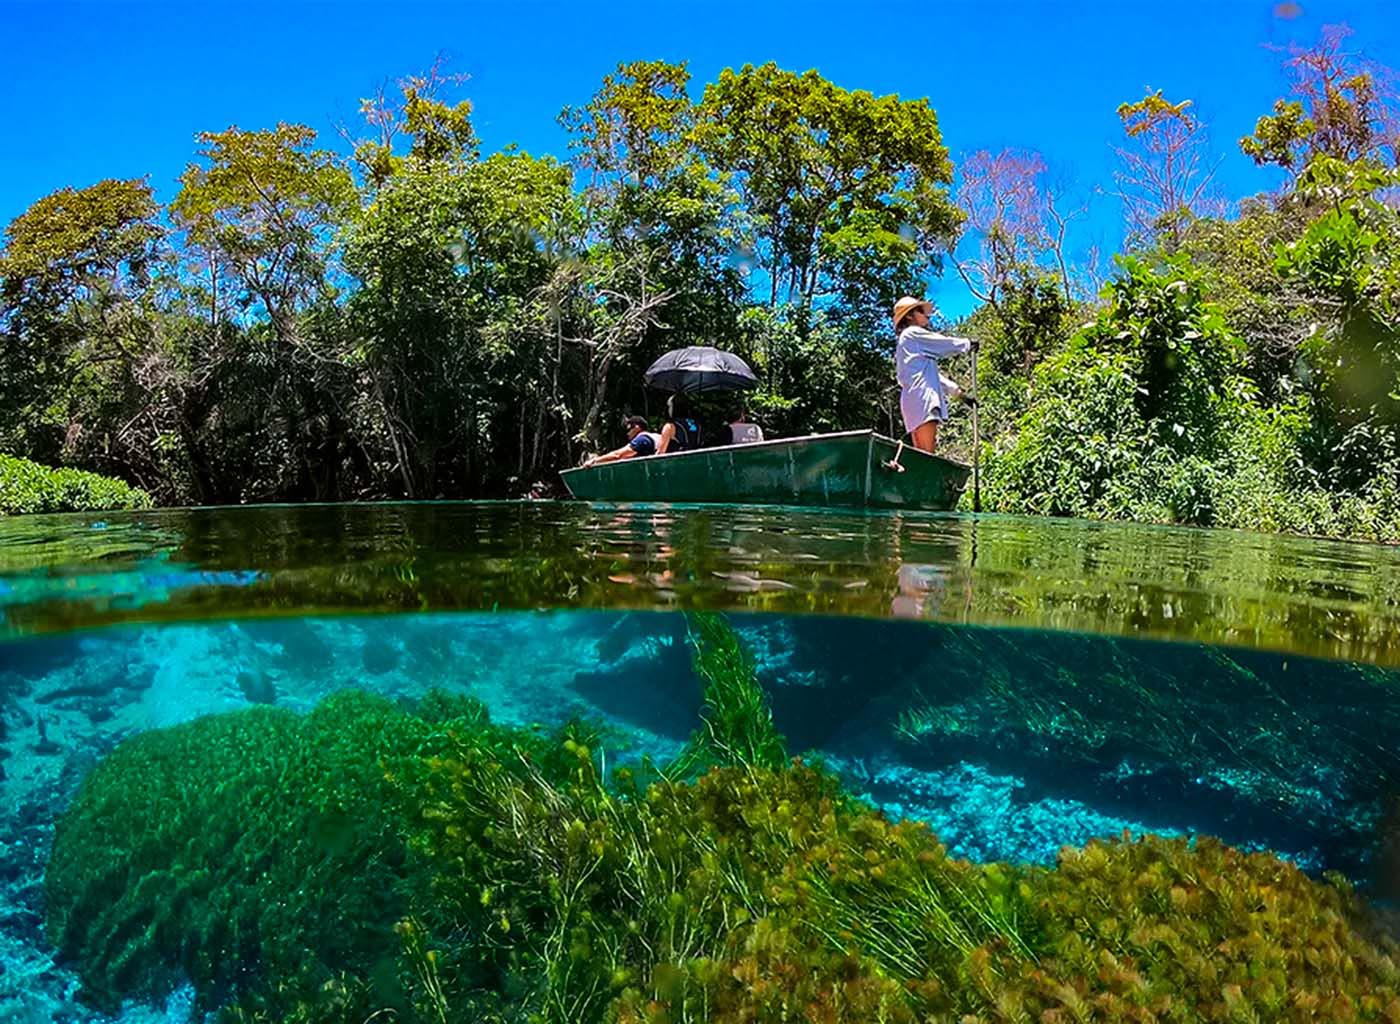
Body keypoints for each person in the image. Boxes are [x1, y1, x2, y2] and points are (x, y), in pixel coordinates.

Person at [891, 296, 978, 453]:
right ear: (910, 315)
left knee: (923, 451)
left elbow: (932, 377)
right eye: (921, 311)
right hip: (922, 398)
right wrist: (967, 344)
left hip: (913, 400)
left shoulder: (909, 346)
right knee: (927, 454)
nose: (927, 315)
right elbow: (941, 344)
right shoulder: (912, 334)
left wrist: (960, 395)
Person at [583, 415, 660, 467]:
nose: (627, 433)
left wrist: (595, 461)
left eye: (629, 429)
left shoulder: (643, 439)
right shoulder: (655, 437)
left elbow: (618, 455)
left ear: (637, 427)